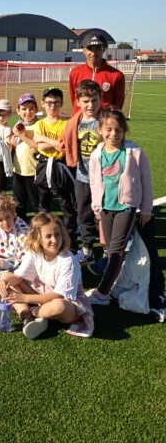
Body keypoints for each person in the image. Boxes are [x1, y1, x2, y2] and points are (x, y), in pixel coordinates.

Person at [86, 107, 153, 306]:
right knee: (109, 250)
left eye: (118, 130)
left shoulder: (134, 152)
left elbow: (146, 181)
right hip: (105, 209)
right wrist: (96, 207)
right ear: (100, 129)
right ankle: (117, 282)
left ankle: (102, 293)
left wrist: (146, 210)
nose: (113, 134)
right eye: (109, 129)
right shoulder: (96, 154)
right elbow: (93, 182)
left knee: (116, 251)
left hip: (125, 207)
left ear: (124, 131)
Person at [0, 213, 94, 339]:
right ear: (38, 238)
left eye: (57, 234)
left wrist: (24, 298)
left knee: (58, 306)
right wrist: (2, 282)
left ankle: (32, 313)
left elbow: (58, 295)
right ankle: (26, 316)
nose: (54, 240)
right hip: (42, 293)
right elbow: (18, 277)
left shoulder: (68, 260)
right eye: (48, 236)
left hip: (69, 303)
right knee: (6, 277)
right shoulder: (34, 253)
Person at [61, 80, 103, 264]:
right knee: (84, 214)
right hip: (82, 176)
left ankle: (108, 251)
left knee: (105, 215)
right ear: (78, 101)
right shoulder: (74, 123)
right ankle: (87, 250)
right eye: (86, 101)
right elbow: (64, 145)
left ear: (100, 99)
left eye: (94, 100)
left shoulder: (106, 121)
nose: (90, 105)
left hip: (105, 179)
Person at [32, 87, 77, 250]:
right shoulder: (39, 124)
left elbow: (62, 146)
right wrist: (53, 143)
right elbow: (40, 146)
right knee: (43, 204)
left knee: (67, 204)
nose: (52, 106)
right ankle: (41, 237)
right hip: (44, 165)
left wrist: (44, 139)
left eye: (56, 102)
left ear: (61, 103)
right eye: (49, 102)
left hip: (61, 165)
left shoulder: (66, 123)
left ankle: (70, 240)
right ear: (43, 103)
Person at [69, 31, 125, 114]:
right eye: (90, 48)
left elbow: (117, 106)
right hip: (80, 120)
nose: (93, 53)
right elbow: (74, 99)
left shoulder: (116, 75)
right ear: (83, 50)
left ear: (104, 49)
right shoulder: (75, 73)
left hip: (104, 120)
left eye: (98, 48)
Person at [9, 93, 40, 221]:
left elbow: (38, 146)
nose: (28, 112)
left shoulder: (39, 125)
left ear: (36, 110)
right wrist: (12, 137)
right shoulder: (18, 125)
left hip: (34, 170)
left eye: (31, 108)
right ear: (18, 111)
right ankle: (21, 225)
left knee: (36, 202)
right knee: (19, 203)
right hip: (18, 170)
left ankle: (40, 226)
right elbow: (14, 143)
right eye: (24, 109)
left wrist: (23, 136)